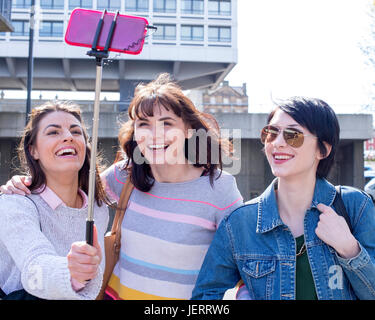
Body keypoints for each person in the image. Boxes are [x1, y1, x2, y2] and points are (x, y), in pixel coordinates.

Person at [0, 73, 243, 300]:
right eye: (144, 124)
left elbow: (244, 258)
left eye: (167, 123)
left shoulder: (220, 187)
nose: (155, 134)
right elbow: (72, 190)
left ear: (188, 131)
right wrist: (24, 183)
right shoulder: (125, 174)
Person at [192, 97, 375, 300]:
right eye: (271, 133)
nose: (277, 143)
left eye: (293, 135)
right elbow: (205, 296)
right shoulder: (239, 223)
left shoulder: (355, 206)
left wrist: (350, 249)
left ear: (323, 149)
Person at [0, 101, 109, 300]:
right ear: (33, 150)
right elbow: (34, 266)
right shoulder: (15, 203)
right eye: (53, 132)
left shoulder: (99, 209)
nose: (68, 137)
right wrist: (73, 274)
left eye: (76, 132)